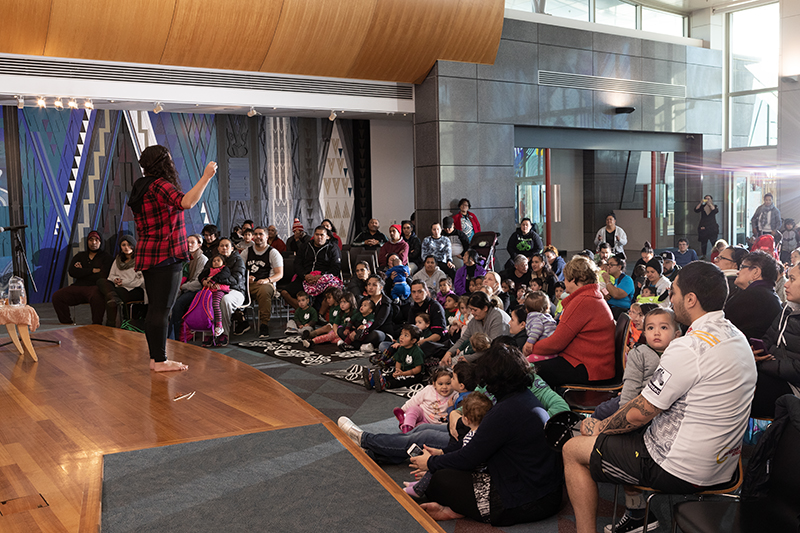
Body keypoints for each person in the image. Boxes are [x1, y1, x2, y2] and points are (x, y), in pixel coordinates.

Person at [563, 261, 756, 533]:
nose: (671, 299)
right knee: (622, 432)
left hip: (680, 468)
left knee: (572, 450)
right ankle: (639, 512)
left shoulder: (688, 347)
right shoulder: (736, 336)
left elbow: (640, 412)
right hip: (726, 466)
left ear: (691, 299)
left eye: (674, 292)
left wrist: (599, 427)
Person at [408, 344, 562, 526]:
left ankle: (461, 509)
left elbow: (469, 457)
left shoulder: (504, 411)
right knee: (447, 468)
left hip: (526, 500)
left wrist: (430, 463)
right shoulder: (524, 397)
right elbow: (479, 445)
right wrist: (442, 454)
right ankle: (457, 508)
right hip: (544, 491)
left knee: (439, 479)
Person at [128, 144, 217, 371]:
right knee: (163, 310)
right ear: (163, 162)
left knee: (155, 309)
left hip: (148, 253)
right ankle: (160, 361)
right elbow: (186, 202)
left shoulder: (140, 185)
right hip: (167, 254)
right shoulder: (160, 185)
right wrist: (206, 177)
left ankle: (155, 358)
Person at [530, 256, 615, 387]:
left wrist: (530, 348)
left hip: (589, 369)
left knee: (525, 372)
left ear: (574, 279)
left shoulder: (583, 300)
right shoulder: (592, 296)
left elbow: (556, 343)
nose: (564, 282)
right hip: (595, 366)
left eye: (565, 278)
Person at [404, 392, 493, 498]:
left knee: (438, 466)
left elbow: (462, 454)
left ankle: (419, 489)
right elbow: (461, 445)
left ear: (466, 419)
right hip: (474, 468)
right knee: (439, 460)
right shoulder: (480, 433)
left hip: (471, 472)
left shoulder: (472, 436)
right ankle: (421, 484)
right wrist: (442, 452)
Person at [751, 263, 800, 418]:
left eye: (792, 279)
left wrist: (763, 363)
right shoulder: (788, 309)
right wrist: (756, 353)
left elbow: (798, 369)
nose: (786, 284)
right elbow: (768, 338)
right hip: (774, 374)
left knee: (743, 388)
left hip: (794, 388)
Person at [52, 231, 113, 325]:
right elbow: (72, 272)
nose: (93, 243)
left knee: (97, 296)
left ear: (101, 242)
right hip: (78, 286)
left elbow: (103, 275)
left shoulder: (106, 257)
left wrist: (82, 271)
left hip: (95, 286)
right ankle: (67, 322)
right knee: (57, 296)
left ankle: (97, 324)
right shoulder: (80, 256)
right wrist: (92, 270)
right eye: (91, 240)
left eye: (96, 240)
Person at [723, 250, 782, 341]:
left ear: (755, 272)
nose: (738, 272)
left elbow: (721, 323)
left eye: (742, 267)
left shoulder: (753, 296)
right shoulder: (769, 296)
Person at [441, 291, 509, 366]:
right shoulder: (476, 319)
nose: (472, 312)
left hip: (499, 358)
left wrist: (469, 358)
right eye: (471, 309)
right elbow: (463, 339)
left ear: (485, 308)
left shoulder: (498, 317)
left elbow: (493, 347)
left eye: (475, 310)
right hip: (480, 355)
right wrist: (449, 353)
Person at [281, 225, 341, 309]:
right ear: (314, 235)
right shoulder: (305, 246)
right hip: (305, 277)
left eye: (322, 235)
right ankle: (304, 312)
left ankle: (319, 315)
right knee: (284, 292)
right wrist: (305, 275)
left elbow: (336, 267)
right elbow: (297, 264)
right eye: (317, 234)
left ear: (327, 236)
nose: (319, 237)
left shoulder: (333, 248)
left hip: (324, 278)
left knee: (332, 293)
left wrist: (322, 276)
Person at [240, 226, 284, 338]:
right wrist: (247, 276)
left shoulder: (273, 253)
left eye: (261, 234)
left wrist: (266, 280)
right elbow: (239, 270)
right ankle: (241, 320)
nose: (258, 236)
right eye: (256, 234)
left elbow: (279, 274)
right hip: (248, 284)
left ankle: (264, 324)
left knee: (264, 291)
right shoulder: (246, 252)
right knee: (234, 290)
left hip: (266, 284)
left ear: (267, 237)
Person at [201, 238, 246, 345]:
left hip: (235, 290)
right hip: (214, 289)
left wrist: (216, 280)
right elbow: (203, 275)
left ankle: (223, 334)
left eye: (227, 246)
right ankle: (209, 333)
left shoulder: (238, 260)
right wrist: (204, 281)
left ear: (232, 248)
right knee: (207, 299)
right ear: (218, 248)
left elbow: (236, 279)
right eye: (221, 246)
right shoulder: (213, 260)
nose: (224, 248)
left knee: (225, 300)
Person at [96, 234, 144, 327]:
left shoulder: (139, 260)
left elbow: (140, 281)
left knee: (109, 296)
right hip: (118, 286)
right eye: (123, 245)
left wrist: (123, 282)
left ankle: (111, 323)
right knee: (101, 282)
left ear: (134, 245)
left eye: (129, 244)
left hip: (133, 289)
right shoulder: (118, 260)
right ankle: (113, 298)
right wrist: (115, 279)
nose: (126, 247)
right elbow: (111, 276)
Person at [168, 234, 208, 340]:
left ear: (199, 245)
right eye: (187, 242)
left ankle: (175, 336)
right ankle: (168, 333)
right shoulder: (183, 258)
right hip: (185, 287)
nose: (189, 245)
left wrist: (182, 287)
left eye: (192, 242)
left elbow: (198, 282)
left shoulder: (202, 259)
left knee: (178, 304)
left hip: (196, 289)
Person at [367, 324, 428, 393]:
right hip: (403, 370)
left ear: (413, 340)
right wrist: (397, 370)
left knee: (401, 381)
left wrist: (404, 373)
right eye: (401, 334)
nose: (401, 337)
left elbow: (418, 369)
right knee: (391, 375)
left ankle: (386, 385)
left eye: (406, 335)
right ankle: (373, 381)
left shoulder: (417, 352)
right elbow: (398, 361)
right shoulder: (401, 348)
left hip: (414, 374)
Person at [198, 254, 235, 345]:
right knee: (206, 306)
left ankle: (219, 325)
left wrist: (212, 280)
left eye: (218, 260)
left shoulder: (224, 269)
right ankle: (209, 330)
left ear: (223, 262)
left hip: (220, 289)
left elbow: (223, 275)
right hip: (209, 290)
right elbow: (200, 276)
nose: (216, 262)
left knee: (215, 303)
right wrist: (205, 281)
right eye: (214, 261)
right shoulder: (209, 270)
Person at [407, 280, 449, 357]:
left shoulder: (435, 307)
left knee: (423, 347)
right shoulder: (412, 308)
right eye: (414, 292)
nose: (416, 295)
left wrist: (421, 342)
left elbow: (438, 335)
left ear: (426, 291)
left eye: (420, 292)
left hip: (434, 343)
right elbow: (410, 330)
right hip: (417, 340)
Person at [521, 290, 556, 359]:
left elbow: (537, 327)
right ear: (547, 308)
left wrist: (529, 342)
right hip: (553, 345)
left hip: (544, 345)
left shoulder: (533, 317)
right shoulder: (548, 317)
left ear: (527, 310)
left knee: (526, 361)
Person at [602, 253, 634, 318]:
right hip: (607, 308)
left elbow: (616, 295)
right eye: (607, 264)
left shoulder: (627, 280)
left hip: (621, 311)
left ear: (619, 267)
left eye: (611, 265)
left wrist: (608, 281)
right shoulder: (606, 278)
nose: (608, 267)